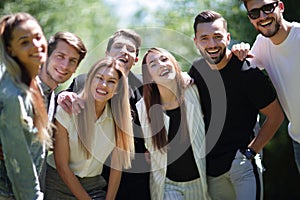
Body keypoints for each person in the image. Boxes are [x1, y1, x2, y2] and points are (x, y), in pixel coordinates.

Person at [189, 10, 284, 200]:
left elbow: (276, 116)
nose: (212, 44)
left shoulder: (246, 70)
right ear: (196, 41)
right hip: (213, 171)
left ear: (228, 37)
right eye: (205, 38)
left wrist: (250, 152)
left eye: (217, 37)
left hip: (242, 165)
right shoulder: (196, 71)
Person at [58, 29, 151, 200]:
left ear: (135, 60)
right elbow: (61, 113)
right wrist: (61, 96)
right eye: (118, 46)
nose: (124, 51)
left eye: (130, 49)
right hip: (95, 177)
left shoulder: (145, 88)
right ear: (107, 53)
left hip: (135, 178)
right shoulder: (82, 82)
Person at [45, 57, 135, 199]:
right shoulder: (67, 111)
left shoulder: (121, 121)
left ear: (118, 89)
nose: (104, 85)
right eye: (99, 78)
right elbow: (62, 166)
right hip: (57, 183)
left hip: (93, 186)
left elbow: (117, 168)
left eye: (111, 81)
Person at [232, 0, 300, 174]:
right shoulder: (262, 44)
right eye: (255, 13)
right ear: (250, 19)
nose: (262, 17)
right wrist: (238, 52)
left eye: (268, 8)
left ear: (281, 7)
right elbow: (237, 74)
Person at [136, 47, 210, 200]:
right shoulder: (143, 107)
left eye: (164, 59)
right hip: (168, 186)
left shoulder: (193, 89)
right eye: (153, 64)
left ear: (174, 64)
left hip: (200, 183)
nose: (161, 65)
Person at [0, 12, 52, 199]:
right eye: (24, 42)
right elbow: (19, 162)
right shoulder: (14, 96)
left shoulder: (31, 81)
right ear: (10, 50)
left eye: (38, 37)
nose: (36, 46)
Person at [38, 31, 87, 121]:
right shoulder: (24, 88)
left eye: (72, 61)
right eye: (60, 56)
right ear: (46, 55)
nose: (65, 66)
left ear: (76, 68)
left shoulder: (51, 97)